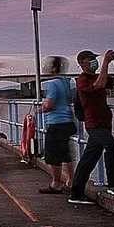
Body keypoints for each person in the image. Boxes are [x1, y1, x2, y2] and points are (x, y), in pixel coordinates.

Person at [68, 49, 114, 204]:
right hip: (93, 123)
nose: (94, 61)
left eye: (95, 58)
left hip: (105, 123)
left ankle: (76, 194)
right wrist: (106, 62)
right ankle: (113, 185)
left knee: (89, 158)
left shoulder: (96, 76)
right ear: (82, 63)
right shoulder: (83, 80)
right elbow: (99, 84)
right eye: (91, 58)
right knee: (111, 145)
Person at [39, 56, 75, 194]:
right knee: (66, 154)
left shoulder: (52, 83)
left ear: (54, 68)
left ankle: (56, 183)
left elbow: (50, 104)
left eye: (49, 66)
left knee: (53, 155)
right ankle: (71, 181)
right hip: (67, 122)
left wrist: (40, 109)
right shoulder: (66, 82)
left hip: (56, 122)